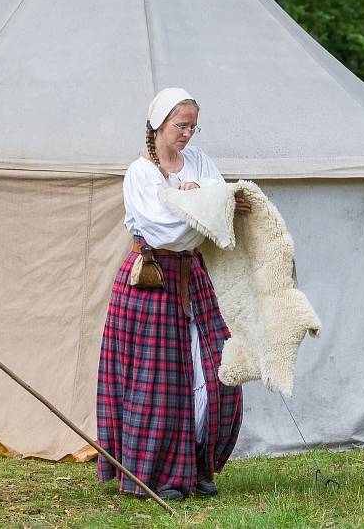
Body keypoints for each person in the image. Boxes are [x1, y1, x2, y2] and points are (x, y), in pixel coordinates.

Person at [97, 88, 250, 500]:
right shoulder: (140, 172)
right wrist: (206, 204)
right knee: (158, 383)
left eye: (192, 125)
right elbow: (165, 228)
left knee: (216, 373)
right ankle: (156, 476)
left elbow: (217, 210)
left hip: (193, 276)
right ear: (158, 124)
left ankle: (199, 466)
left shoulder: (198, 161)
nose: (187, 133)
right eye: (181, 125)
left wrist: (209, 203)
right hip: (151, 277)